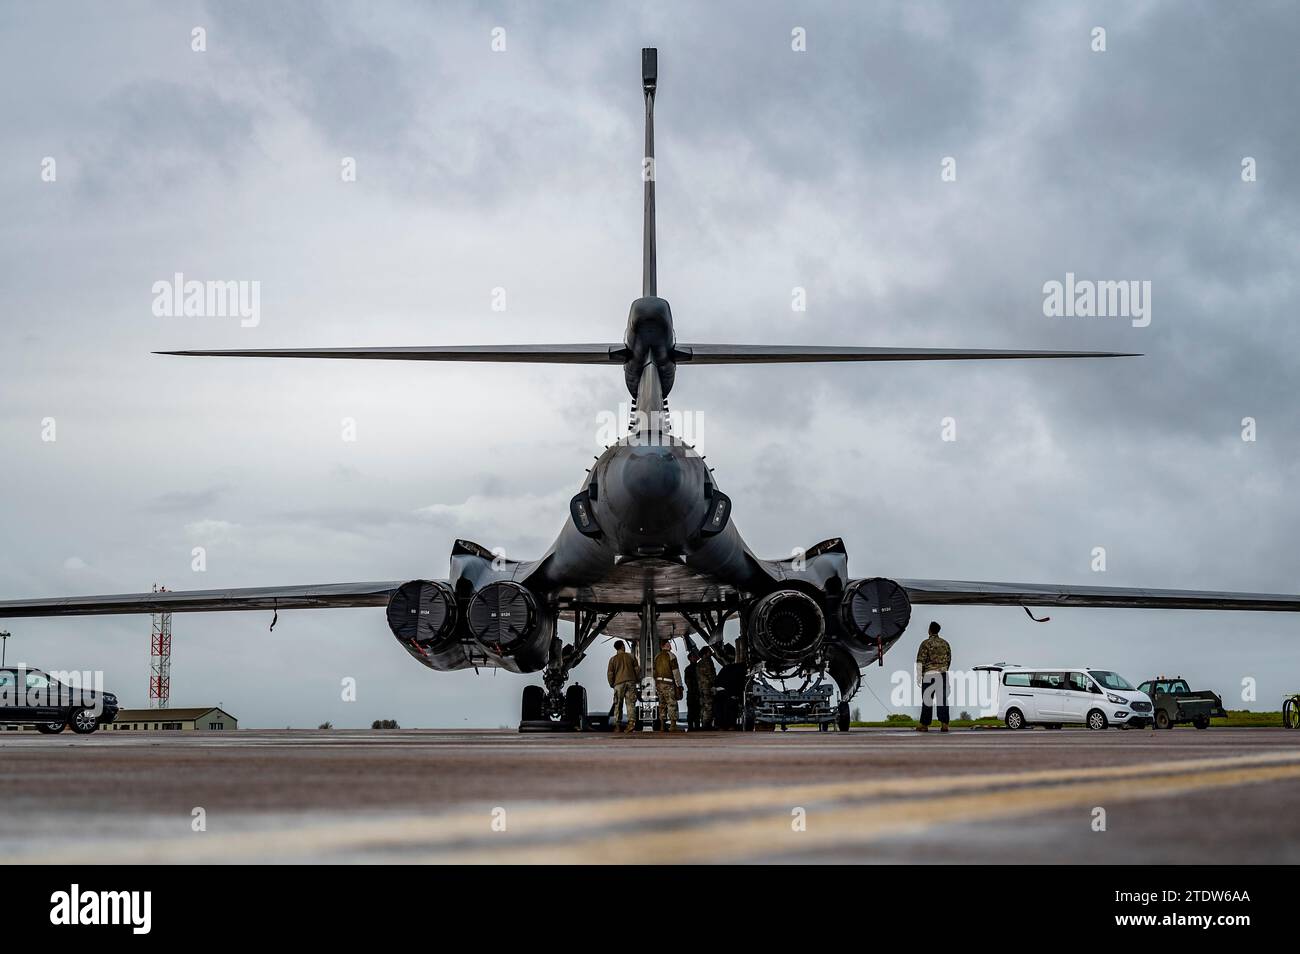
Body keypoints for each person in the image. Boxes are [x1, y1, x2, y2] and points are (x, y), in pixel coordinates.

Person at [915, 621, 952, 732]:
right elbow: (949, 659)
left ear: (930, 630)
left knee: (927, 700)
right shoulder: (945, 643)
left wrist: (918, 675)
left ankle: (925, 725)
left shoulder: (925, 643)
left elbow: (920, 660)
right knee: (943, 700)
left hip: (929, 675)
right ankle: (944, 724)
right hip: (942, 674)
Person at [606, 639, 640, 734]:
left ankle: (617, 725)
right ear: (622, 646)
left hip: (618, 684)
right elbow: (637, 670)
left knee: (618, 704)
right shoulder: (631, 657)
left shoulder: (613, 659)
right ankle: (631, 723)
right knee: (630, 703)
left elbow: (610, 674)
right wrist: (637, 680)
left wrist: (612, 683)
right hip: (631, 682)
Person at [653, 638, 683, 731]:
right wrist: (679, 685)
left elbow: (654, 672)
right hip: (668, 683)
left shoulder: (656, 657)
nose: (670, 645)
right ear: (665, 645)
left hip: (659, 684)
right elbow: (676, 672)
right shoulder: (671, 656)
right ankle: (673, 726)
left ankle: (662, 726)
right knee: (671, 704)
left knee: (662, 704)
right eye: (669, 644)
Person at [695, 646, 717, 730]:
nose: (711, 652)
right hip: (708, 687)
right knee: (709, 706)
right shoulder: (708, 661)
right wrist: (714, 684)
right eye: (709, 651)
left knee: (703, 706)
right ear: (706, 653)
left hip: (701, 687)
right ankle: (707, 725)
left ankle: (703, 723)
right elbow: (711, 675)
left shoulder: (699, 663)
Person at [684, 651, 701, 730]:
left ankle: (696, 726)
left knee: (697, 710)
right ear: (690, 658)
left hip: (696, 692)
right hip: (692, 692)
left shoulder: (699, 667)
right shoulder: (689, 669)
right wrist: (693, 690)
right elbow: (687, 682)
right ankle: (691, 726)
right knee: (691, 710)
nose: (695, 658)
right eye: (693, 657)